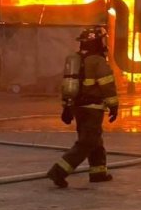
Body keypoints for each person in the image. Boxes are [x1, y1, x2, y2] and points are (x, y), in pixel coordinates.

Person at [48, 26, 119, 188]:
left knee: (95, 140)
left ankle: (98, 173)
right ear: (96, 42)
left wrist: (66, 108)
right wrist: (114, 106)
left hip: (77, 108)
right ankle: (58, 171)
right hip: (93, 108)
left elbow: (67, 86)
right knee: (87, 142)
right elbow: (107, 86)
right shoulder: (98, 61)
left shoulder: (75, 60)